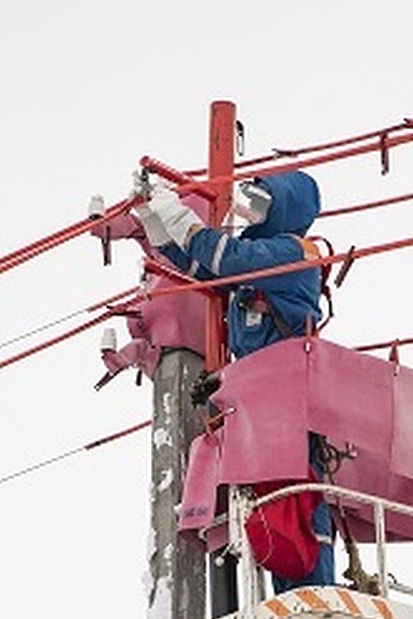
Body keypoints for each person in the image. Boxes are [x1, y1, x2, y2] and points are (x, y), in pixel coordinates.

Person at [131, 170, 333, 589]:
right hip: (258, 399)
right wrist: (153, 218)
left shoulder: (292, 254)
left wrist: (176, 210)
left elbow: (222, 257)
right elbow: (202, 267)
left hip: (288, 394)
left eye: (262, 206)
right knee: (271, 496)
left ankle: (314, 586)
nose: (252, 214)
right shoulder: (259, 260)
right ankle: (290, 586)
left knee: (297, 490)